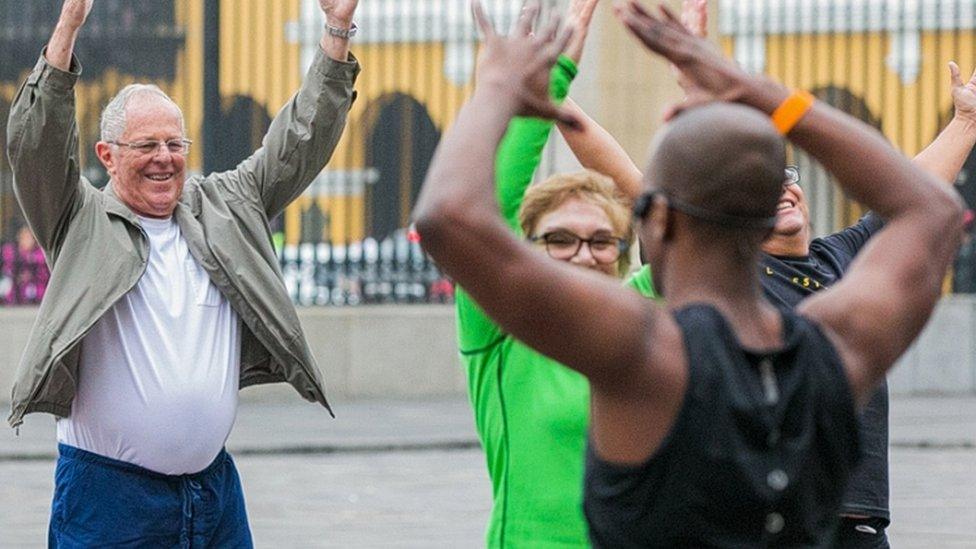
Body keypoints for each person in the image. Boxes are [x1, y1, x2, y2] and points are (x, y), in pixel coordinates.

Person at [413, 1, 964, 546]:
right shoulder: (838, 349)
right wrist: (761, 94)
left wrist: (497, 89)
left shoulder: (640, 352)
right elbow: (930, 211)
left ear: (655, 221)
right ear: (761, 223)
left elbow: (449, 217)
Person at [5, 0, 360, 545]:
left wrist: (336, 31)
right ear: (108, 154)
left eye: (176, 144)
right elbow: (37, 146)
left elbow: (300, 142)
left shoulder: (226, 205)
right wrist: (69, 26)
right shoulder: (79, 218)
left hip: (213, 494)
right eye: (147, 145)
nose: (164, 158)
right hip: (108, 502)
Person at [453, 1, 656, 545]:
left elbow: (682, 232)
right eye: (559, 239)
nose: (583, 254)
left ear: (621, 253)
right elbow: (485, 215)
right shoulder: (499, 331)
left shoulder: (645, 315)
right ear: (529, 251)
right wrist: (549, 85)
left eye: (600, 241)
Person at [1, 224, 50, 305]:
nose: (27, 241)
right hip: (16, 293)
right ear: (19, 239)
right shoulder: (13, 252)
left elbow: (43, 270)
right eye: (24, 238)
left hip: (38, 292)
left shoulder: (39, 252)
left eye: (29, 238)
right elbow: (7, 269)